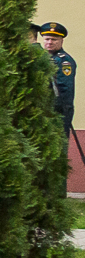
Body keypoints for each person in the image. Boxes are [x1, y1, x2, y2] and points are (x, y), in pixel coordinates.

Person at [43, 23, 76, 166]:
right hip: (43, 110)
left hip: (59, 111)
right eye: (47, 39)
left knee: (57, 153)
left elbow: (64, 90)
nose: (49, 42)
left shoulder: (64, 61)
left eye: (54, 39)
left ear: (61, 41)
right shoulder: (40, 59)